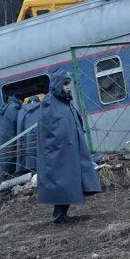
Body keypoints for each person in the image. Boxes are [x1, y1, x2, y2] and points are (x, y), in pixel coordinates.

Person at [37, 69, 101, 224]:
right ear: (58, 84)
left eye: (69, 84)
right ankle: (59, 216)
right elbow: (51, 129)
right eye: (65, 84)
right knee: (62, 183)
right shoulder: (50, 103)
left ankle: (61, 215)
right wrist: (64, 142)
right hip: (59, 153)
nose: (68, 87)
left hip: (69, 150)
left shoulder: (63, 101)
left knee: (67, 182)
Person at [0, 95, 23, 181]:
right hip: (10, 141)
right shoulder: (14, 107)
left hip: (3, 143)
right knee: (10, 167)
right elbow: (19, 124)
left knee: (5, 166)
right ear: (19, 100)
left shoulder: (5, 108)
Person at [16, 95, 43, 174]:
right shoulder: (43, 107)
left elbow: (19, 128)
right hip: (41, 138)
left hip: (28, 140)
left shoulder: (22, 110)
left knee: (30, 155)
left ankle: (32, 172)